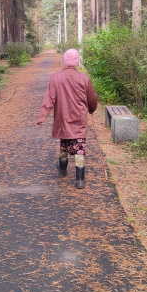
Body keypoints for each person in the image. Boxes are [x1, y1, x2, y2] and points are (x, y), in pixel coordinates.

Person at [36, 48, 98, 189]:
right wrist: (92, 109)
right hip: (79, 118)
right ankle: (80, 179)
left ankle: (63, 167)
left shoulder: (55, 78)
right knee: (79, 145)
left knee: (65, 140)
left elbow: (49, 99)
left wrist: (42, 115)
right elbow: (92, 98)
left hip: (63, 117)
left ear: (65, 61)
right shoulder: (84, 78)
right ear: (77, 61)